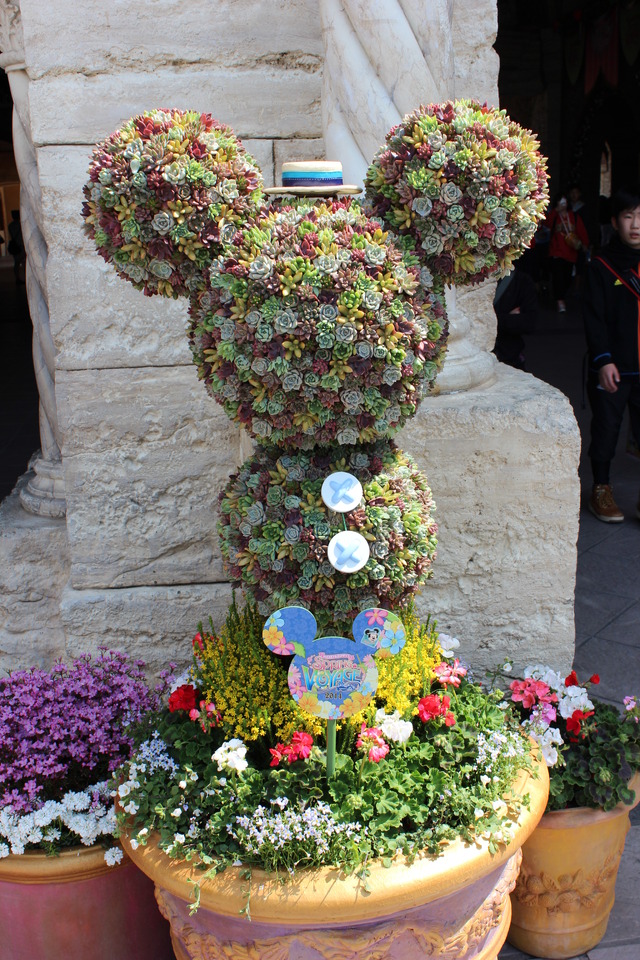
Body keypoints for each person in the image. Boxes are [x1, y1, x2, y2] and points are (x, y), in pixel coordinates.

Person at [583, 185, 640, 522]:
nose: (636, 225)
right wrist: (603, 359)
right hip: (613, 367)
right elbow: (594, 318)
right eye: (628, 217)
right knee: (606, 429)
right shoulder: (602, 265)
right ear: (616, 222)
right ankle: (601, 489)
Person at [547, 193, 589, 312]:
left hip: (570, 253)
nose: (562, 204)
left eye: (564, 202)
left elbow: (581, 231)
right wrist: (555, 211)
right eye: (560, 202)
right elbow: (547, 223)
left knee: (567, 278)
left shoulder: (574, 217)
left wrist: (585, 244)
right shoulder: (555, 216)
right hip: (556, 252)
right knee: (558, 277)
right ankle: (560, 301)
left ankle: (561, 296)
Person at [493, 267, 538, 370]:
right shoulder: (469, 282)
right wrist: (508, 317)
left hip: (510, 359)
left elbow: (528, 323)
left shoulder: (521, 281)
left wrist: (494, 319)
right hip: (480, 358)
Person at [7, 210, 25, 285]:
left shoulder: (10, 225)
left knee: (16, 263)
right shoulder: (21, 224)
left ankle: (17, 278)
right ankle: (25, 277)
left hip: (15, 246)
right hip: (21, 245)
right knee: (24, 262)